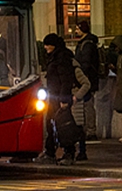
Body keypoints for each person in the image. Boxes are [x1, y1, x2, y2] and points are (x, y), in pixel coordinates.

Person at [39, 33, 90, 166]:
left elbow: (65, 80)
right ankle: (50, 152)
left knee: (64, 127)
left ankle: (68, 152)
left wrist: (64, 99)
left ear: (53, 45)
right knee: (51, 124)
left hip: (60, 98)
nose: (45, 48)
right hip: (54, 97)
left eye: (47, 45)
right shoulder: (56, 57)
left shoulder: (62, 58)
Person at [73, 20, 101, 141]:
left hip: (88, 78)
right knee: (87, 104)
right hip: (90, 77)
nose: (75, 31)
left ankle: (90, 130)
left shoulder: (86, 45)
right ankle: (88, 129)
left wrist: (81, 75)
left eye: (77, 29)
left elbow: (86, 63)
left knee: (88, 104)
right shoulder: (87, 43)